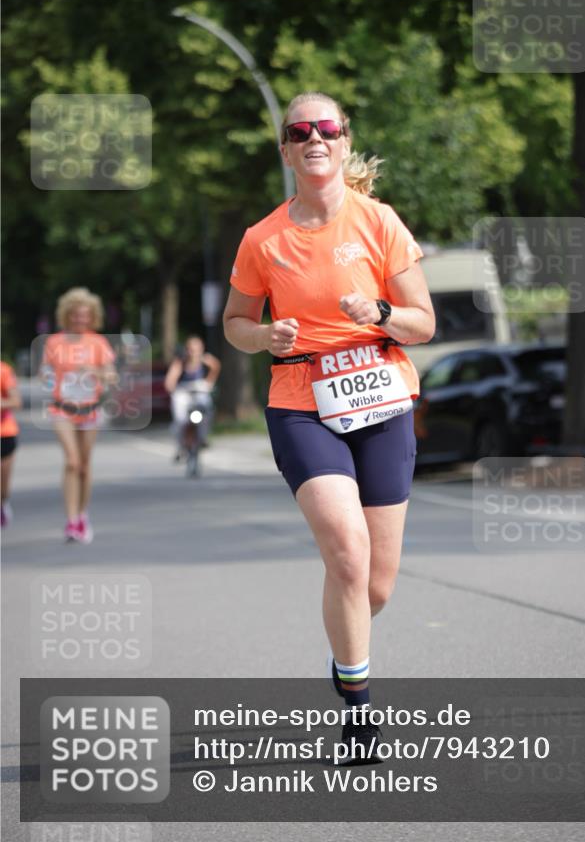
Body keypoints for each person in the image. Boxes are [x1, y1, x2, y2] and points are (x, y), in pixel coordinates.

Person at [223, 91, 435, 764]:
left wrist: (377, 309)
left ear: (344, 143)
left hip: (382, 396)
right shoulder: (263, 239)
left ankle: (345, 650)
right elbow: (234, 326)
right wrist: (265, 335)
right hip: (302, 400)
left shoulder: (380, 222)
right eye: (299, 130)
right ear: (285, 150)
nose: (314, 137)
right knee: (345, 550)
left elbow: (422, 322)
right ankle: (360, 708)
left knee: (375, 582)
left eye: (326, 128)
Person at [41, 288, 117, 543]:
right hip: (61, 408)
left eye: (85, 316)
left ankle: (83, 515)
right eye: (75, 315)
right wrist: (47, 377)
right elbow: (45, 371)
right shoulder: (54, 342)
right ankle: (71, 520)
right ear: (67, 315)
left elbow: (111, 376)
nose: (80, 320)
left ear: (92, 317)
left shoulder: (98, 343)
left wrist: (94, 371)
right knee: (72, 462)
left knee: (84, 465)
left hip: (89, 408)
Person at [164, 336, 220, 459]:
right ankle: (180, 445)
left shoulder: (206, 361)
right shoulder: (181, 362)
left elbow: (215, 367)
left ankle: (203, 437)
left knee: (207, 410)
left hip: (200, 390)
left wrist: (209, 383)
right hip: (183, 392)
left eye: (196, 349)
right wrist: (172, 388)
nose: (194, 352)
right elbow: (171, 379)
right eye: (191, 349)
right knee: (180, 419)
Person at [1, 359, 21, 528]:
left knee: (3, 486)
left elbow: (16, 401)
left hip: (4, 433)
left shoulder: (4, 370)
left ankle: (3, 503)